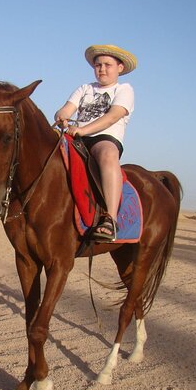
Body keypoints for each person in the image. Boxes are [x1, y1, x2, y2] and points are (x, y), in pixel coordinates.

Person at [54, 44, 136, 242]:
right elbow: (65, 109)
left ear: (120, 68)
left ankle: (111, 219)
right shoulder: (85, 88)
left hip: (104, 138)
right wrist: (62, 117)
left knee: (108, 155)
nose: (102, 69)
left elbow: (112, 117)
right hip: (76, 137)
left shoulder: (124, 89)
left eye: (108, 65)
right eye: (98, 65)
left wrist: (83, 129)